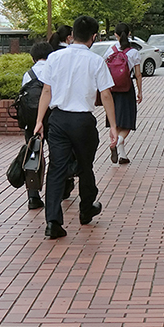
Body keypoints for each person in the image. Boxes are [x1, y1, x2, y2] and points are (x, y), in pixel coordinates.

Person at [34, 15, 118, 239]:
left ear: (73, 35)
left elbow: (46, 91)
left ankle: (53, 221)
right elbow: (106, 94)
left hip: (58, 119)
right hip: (83, 121)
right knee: (85, 165)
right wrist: (113, 126)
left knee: (56, 168)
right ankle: (86, 208)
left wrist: (39, 120)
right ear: (93, 37)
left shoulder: (54, 57)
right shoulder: (95, 61)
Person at [21, 41, 55, 210]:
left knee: (33, 156)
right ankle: (61, 189)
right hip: (53, 118)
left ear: (32, 58)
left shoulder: (28, 74)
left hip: (32, 122)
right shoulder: (55, 71)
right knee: (58, 155)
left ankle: (33, 196)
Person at [103, 23, 143, 165]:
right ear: (130, 33)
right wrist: (140, 92)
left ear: (115, 35)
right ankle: (118, 141)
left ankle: (122, 155)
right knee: (126, 123)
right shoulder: (133, 52)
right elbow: (138, 75)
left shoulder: (109, 51)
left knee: (115, 123)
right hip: (127, 89)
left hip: (112, 90)